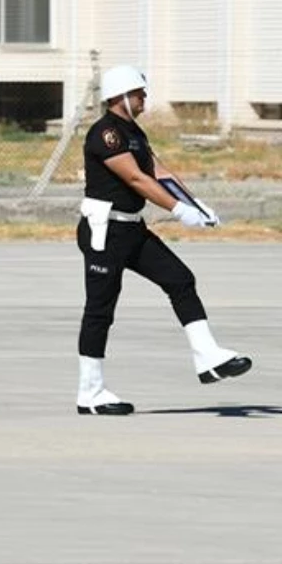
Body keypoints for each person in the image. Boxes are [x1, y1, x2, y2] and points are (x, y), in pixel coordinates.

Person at [75, 65, 252, 416]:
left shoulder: (133, 132)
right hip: (104, 230)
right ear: (122, 95)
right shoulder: (106, 134)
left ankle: (208, 357)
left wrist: (195, 204)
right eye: (140, 93)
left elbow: (160, 172)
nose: (145, 99)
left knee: (180, 279)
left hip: (131, 228)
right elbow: (137, 180)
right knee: (100, 309)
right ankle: (90, 392)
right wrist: (177, 210)